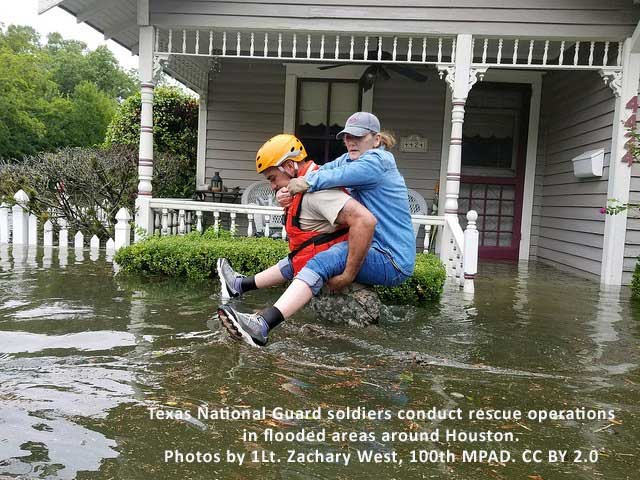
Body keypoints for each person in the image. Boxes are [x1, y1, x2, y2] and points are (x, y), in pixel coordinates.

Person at [218, 112, 416, 347]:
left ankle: (262, 325)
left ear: (375, 139)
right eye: (347, 137)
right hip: (376, 248)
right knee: (310, 251)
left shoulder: (378, 161)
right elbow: (324, 169)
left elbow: (342, 180)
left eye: (359, 137)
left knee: (322, 261)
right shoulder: (350, 159)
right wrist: (288, 188)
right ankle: (240, 285)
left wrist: (348, 276)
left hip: (392, 258)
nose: (351, 142)